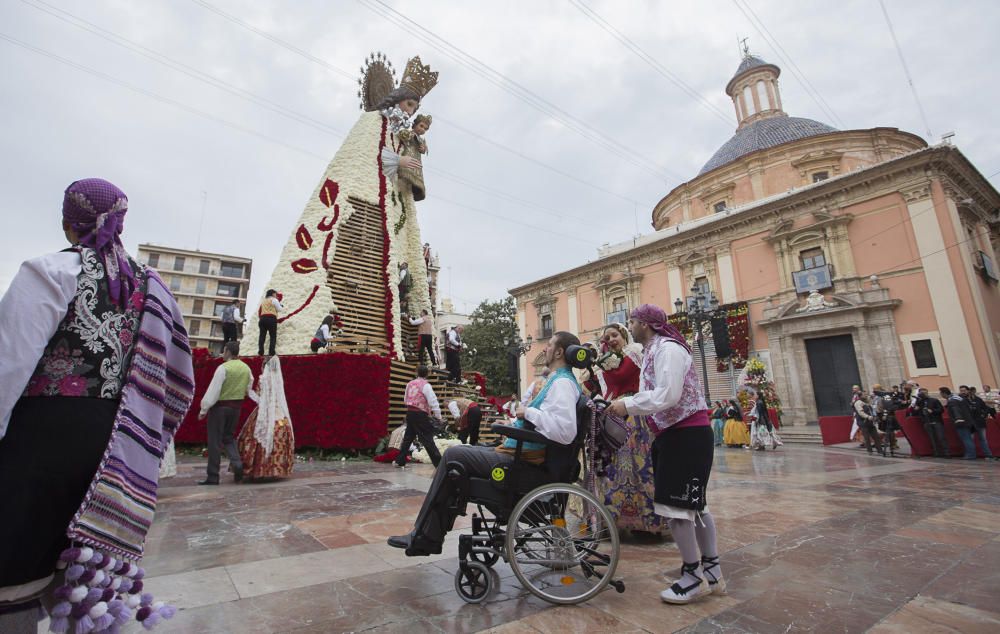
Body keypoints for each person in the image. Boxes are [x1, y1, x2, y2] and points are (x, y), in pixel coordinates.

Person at [0, 178, 193, 632]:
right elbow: (176, 374)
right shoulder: (156, 289)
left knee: (17, 570)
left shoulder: (48, 271)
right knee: (85, 576)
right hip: (118, 447)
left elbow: (9, 362)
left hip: (41, 439)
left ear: (68, 222)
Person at [388, 332, 582, 556]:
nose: (544, 349)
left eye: (549, 345)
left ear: (559, 352)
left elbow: (565, 432)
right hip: (525, 458)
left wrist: (526, 412)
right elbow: (549, 424)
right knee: (462, 457)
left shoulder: (562, 384)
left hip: (527, 467)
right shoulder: (561, 381)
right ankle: (428, 534)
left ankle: (425, 536)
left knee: (454, 456)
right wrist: (514, 422)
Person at [606, 305, 723, 604]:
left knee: (677, 509)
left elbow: (668, 395)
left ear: (645, 324)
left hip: (684, 435)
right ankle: (712, 573)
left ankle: (692, 577)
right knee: (695, 507)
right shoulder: (656, 349)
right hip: (680, 434)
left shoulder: (667, 349)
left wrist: (628, 405)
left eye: (631, 321)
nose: (629, 326)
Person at [593, 323, 665, 537]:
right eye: (607, 338)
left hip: (634, 412)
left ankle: (646, 522)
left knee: (639, 466)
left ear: (624, 335)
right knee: (613, 467)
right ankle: (615, 519)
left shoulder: (633, 355)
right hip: (614, 412)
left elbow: (627, 378)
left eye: (615, 335)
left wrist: (608, 364)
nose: (611, 340)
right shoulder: (605, 362)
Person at [198, 341, 254, 484]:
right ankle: (238, 464)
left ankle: (213, 476)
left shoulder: (223, 368)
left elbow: (214, 390)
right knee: (229, 438)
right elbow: (249, 388)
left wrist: (204, 409)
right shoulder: (246, 368)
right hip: (236, 408)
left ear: (228, 351)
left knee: (214, 441)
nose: (223, 353)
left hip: (220, 408)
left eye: (224, 351)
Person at [237, 356, 295, 480]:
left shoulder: (263, 379)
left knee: (253, 438)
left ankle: (258, 469)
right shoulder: (278, 381)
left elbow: (260, 399)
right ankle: (275, 469)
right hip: (281, 415)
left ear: (265, 366)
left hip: (265, 413)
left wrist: (248, 391)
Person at [395, 365, 443, 469]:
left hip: (410, 413)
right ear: (427, 374)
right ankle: (439, 463)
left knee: (408, 438)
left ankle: (400, 460)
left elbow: (405, 399)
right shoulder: (426, 385)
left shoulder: (410, 383)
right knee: (427, 438)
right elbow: (433, 401)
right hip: (420, 414)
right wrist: (438, 416)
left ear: (417, 372)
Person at [910, 388, 948, 457]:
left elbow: (941, 410)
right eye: (921, 393)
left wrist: (932, 411)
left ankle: (946, 453)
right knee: (932, 438)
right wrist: (915, 409)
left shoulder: (934, 400)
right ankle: (937, 452)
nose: (923, 395)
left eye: (924, 393)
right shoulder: (919, 402)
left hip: (936, 421)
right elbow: (914, 413)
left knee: (941, 437)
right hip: (926, 422)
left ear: (927, 393)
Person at [941, 387, 977, 460]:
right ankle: (970, 454)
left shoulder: (952, 401)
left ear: (944, 393)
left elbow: (955, 410)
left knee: (966, 439)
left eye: (941, 393)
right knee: (968, 438)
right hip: (967, 420)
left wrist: (958, 419)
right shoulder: (957, 398)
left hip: (961, 422)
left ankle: (971, 455)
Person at [965, 386, 997, 460]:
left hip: (980, 422)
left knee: (983, 439)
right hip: (971, 423)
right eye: (969, 392)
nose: (970, 393)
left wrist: (984, 415)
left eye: (972, 392)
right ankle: (971, 455)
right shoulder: (964, 400)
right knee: (970, 439)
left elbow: (986, 408)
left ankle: (988, 454)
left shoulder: (978, 399)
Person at [258, 289, 282, 356]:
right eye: (275, 294)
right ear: (272, 294)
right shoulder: (274, 300)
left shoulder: (263, 301)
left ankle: (260, 351)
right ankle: (271, 352)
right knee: (273, 336)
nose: (276, 295)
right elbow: (279, 309)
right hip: (271, 319)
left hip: (262, 319)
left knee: (262, 336)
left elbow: (260, 311)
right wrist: (281, 305)